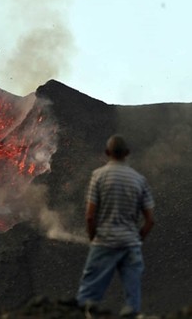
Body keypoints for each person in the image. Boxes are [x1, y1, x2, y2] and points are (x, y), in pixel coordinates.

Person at [76, 134, 155, 316]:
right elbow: (150, 220)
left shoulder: (98, 176)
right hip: (130, 244)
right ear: (127, 153)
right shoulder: (139, 180)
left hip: (104, 242)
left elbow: (90, 216)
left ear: (107, 152)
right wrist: (137, 239)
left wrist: (93, 238)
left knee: (87, 295)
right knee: (133, 298)